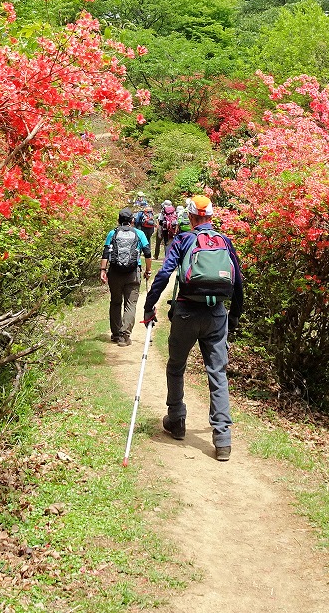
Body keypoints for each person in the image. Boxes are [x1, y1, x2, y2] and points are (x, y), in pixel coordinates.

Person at [142, 194, 243, 461]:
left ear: (190, 216)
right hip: (216, 314)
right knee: (217, 373)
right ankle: (222, 439)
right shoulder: (224, 241)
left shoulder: (184, 240)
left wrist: (149, 306)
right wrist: (233, 318)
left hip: (186, 311)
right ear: (210, 216)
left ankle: (176, 420)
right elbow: (238, 282)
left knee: (176, 367)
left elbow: (165, 274)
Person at [101, 210, 152, 347]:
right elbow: (147, 253)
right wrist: (148, 270)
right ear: (132, 221)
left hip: (115, 273)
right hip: (133, 273)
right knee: (130, 304)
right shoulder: (139, 234)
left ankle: (116, 334)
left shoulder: (113, 233)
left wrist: (102, 270)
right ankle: (124, 336)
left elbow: (106, 252)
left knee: (116, 302)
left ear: (119, 220)